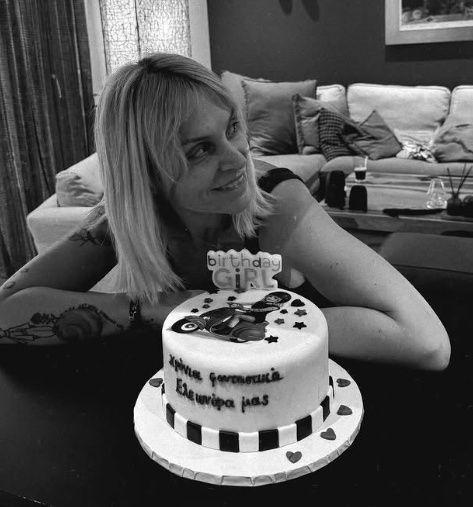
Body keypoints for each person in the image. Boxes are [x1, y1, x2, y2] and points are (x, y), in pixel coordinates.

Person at [0, 53, 450, 369]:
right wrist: (153, 308)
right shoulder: (124, 218)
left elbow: (425, 342)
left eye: (232, 127)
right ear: (146, 174)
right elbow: (7, 311)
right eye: (199, 150)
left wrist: (231, 317)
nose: (238, 159)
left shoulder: (276, 201)